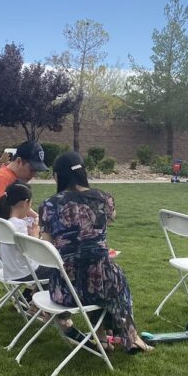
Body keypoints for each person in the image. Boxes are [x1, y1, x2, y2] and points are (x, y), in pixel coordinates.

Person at [38, 151, 152, 354]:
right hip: (100, 283)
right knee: (111, 278)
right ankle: (131, 338)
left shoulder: (48, 205)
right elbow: (110, 219)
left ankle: (102, 338)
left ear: (57, 176)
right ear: (83, 173)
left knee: (94, 272)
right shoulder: (104, 199)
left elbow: (45, 246)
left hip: (64, 290)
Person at [0, 180, 41, 282]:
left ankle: (31, 294)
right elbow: (33, 253)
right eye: (30, 203)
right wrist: (35, 234)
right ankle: (32, 294)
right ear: (25, 203)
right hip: (26, 273)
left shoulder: (1, 222)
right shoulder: (19, 224)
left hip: (9, 272)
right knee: (59, 267)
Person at [0, 141, 48, 217]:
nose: (33, 174)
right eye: (32, 170)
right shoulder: (2, 178)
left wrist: (36, 217)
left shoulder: (14, 177)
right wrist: (16, 218)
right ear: (19, 161)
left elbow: (19, 206)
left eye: (36, 171)